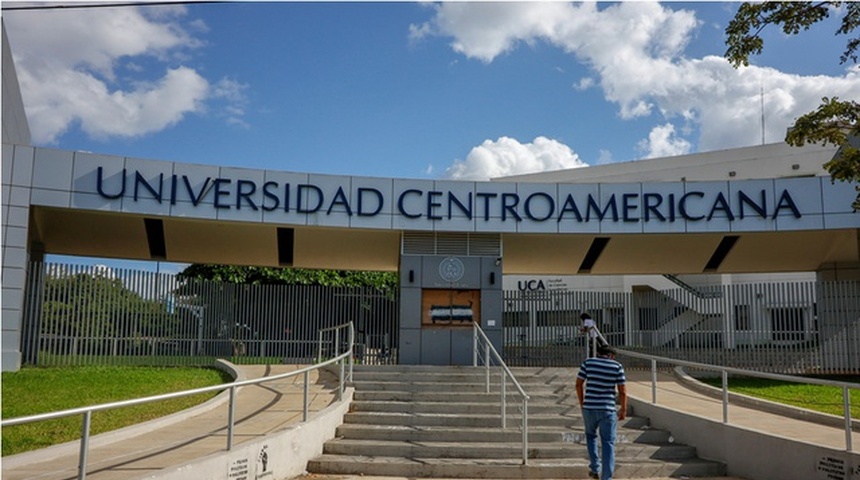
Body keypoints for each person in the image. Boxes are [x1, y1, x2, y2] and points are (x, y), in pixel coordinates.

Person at [575, 343, 627, 480]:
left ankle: (594, 468)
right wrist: (623, 409)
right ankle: (606, 478)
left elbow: (578, 384)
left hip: (589, 407)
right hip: (608, 409)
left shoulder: (588, 363)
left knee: (591, 436)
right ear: (612, 355)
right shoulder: (617, 366)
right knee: (608, 442)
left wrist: (582, 403)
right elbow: (622, 391)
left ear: (598, 353)